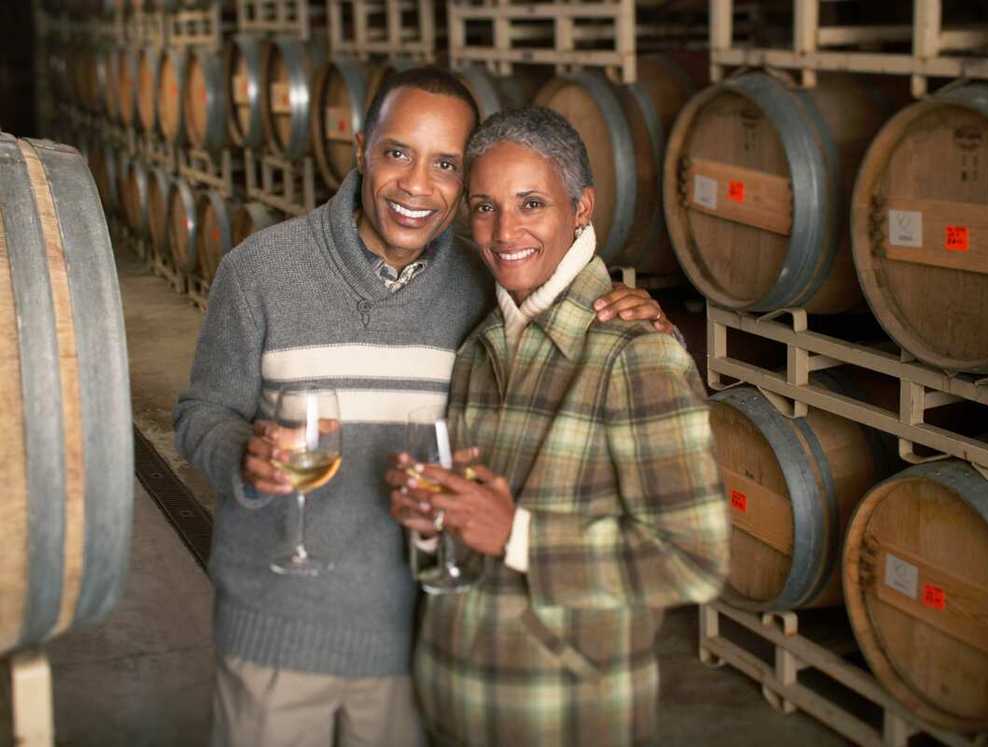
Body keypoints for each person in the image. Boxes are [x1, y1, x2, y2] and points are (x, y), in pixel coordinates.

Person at [173, 68, 671, 747]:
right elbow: (200, 410)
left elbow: (550, 293)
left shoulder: (480, 285)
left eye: (445, 165)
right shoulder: (259, 270)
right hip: (277, 631)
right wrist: (240, 453)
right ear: (360, 148)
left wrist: (634, 311)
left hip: (416, 640)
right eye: (397, 152)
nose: (415, 186)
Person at [388, 107, 729, 745]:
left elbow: (693, 562)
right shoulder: (477, 350)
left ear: (581, 208)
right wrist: (434, 526)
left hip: (564, 718)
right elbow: (465, 534)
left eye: (531, 203)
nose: (504, 230)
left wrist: (516, 535)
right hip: (450, 702)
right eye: (485, 206)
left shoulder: (635, 353)